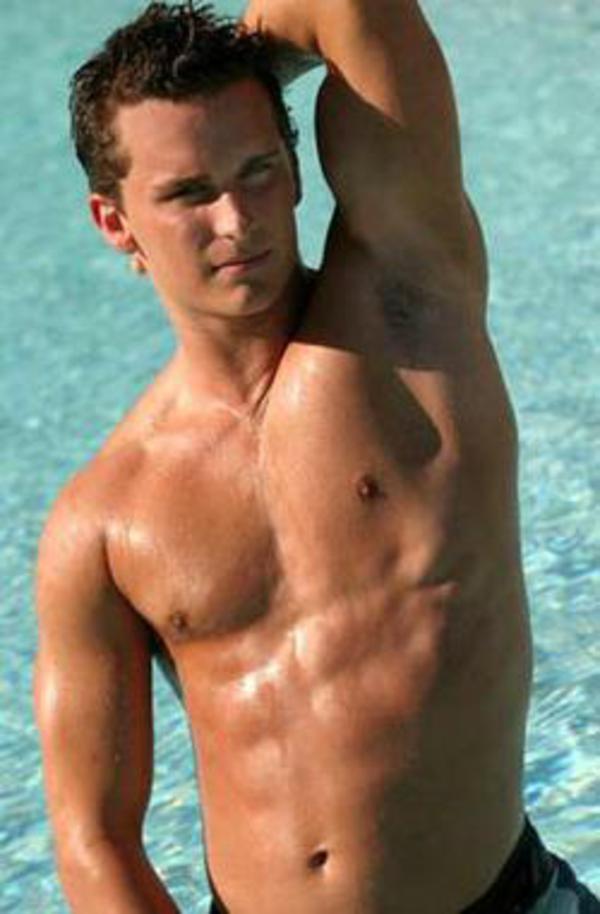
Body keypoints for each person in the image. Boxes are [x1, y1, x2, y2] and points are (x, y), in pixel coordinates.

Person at [34, 2, 599, 912]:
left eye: (258, 170)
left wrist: (240, 68)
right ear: (115, 221)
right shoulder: (103, 523)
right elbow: (93, 837)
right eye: (188, 192)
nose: (236, 219)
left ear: (298, 171)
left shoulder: (414, 308)